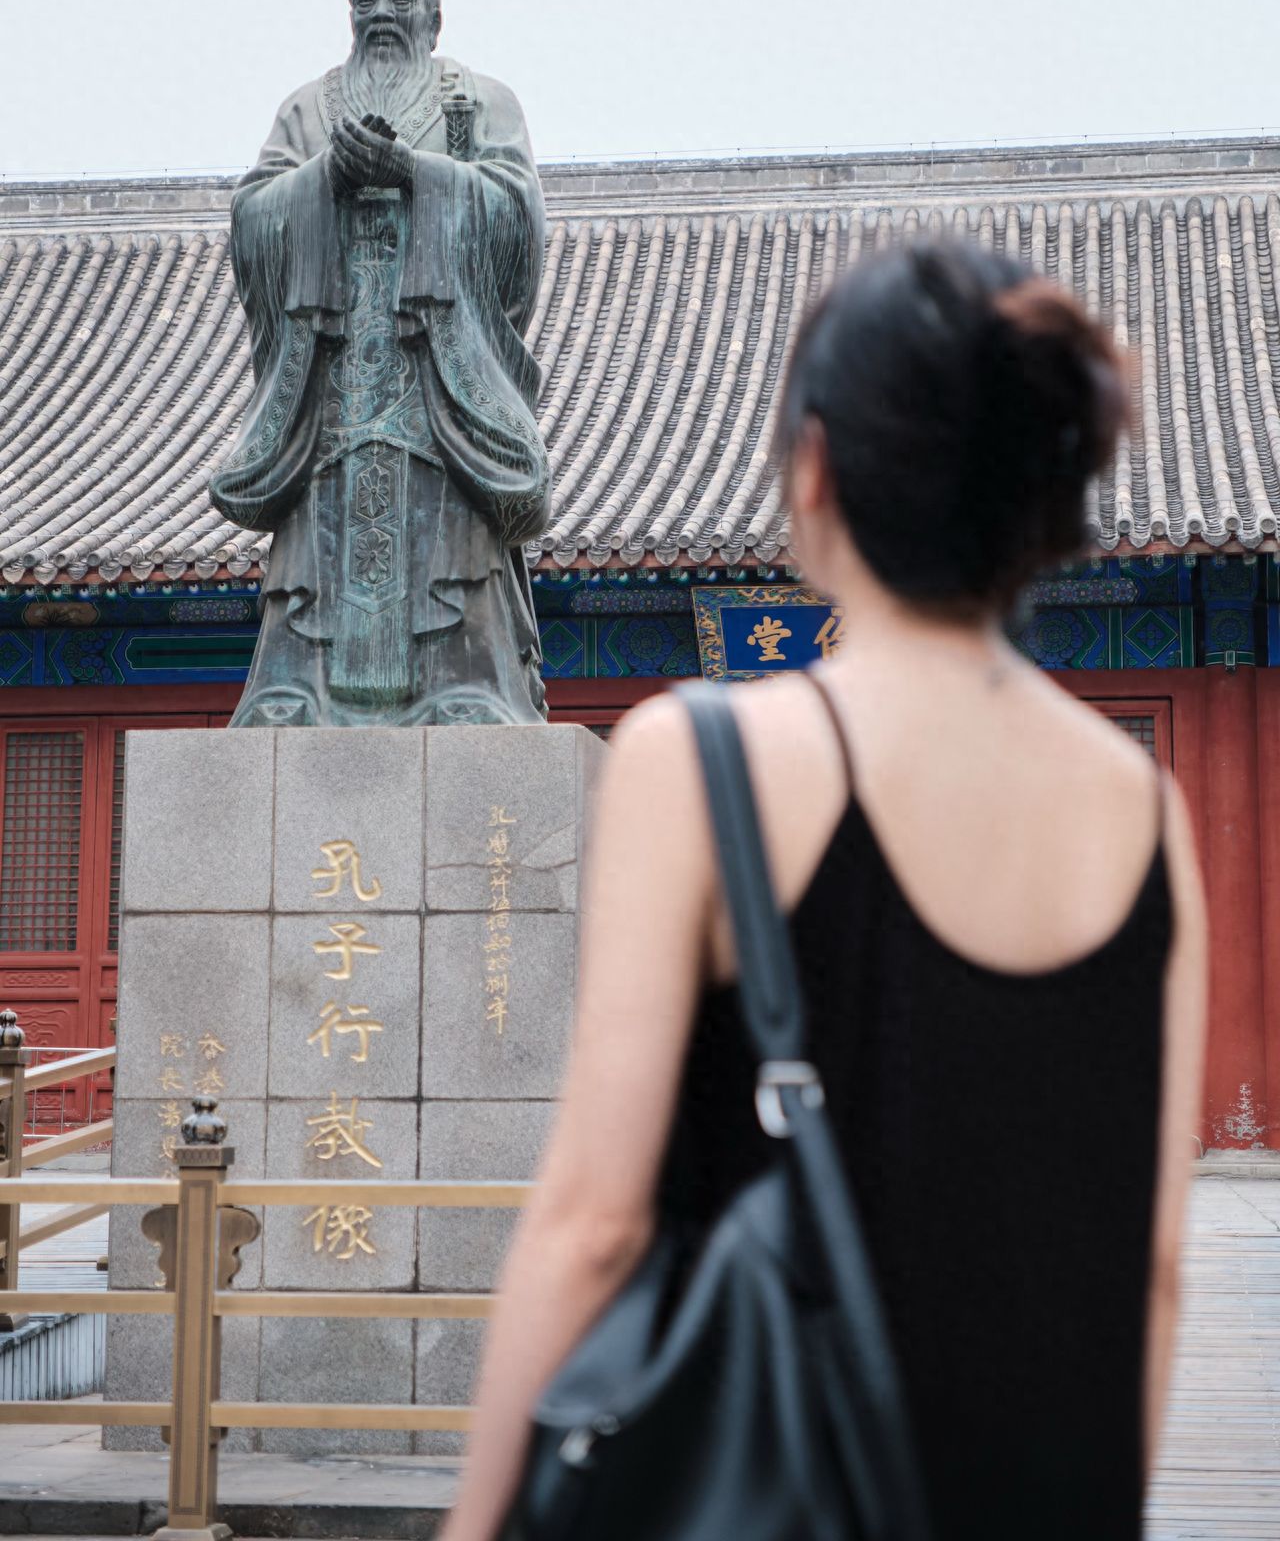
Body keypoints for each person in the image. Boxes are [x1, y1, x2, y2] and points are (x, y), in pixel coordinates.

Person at [442, 239, 1208, 1541]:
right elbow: (1155, 1266)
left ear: (814, 470)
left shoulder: (705, 758)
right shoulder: (1147, 810)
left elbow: (593, 1223)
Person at [210, 0, 549, 728]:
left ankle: (465, 685)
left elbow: (518, 218)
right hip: (331, 372)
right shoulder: (306, 110)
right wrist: (322, 178)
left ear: (435, 16)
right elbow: (253, 213)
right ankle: (295, 691)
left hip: (438, 369)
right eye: (365, 0)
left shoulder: (483, 102)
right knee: (317, 539)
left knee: (452, 535)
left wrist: (419, 175)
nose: (382, 14)